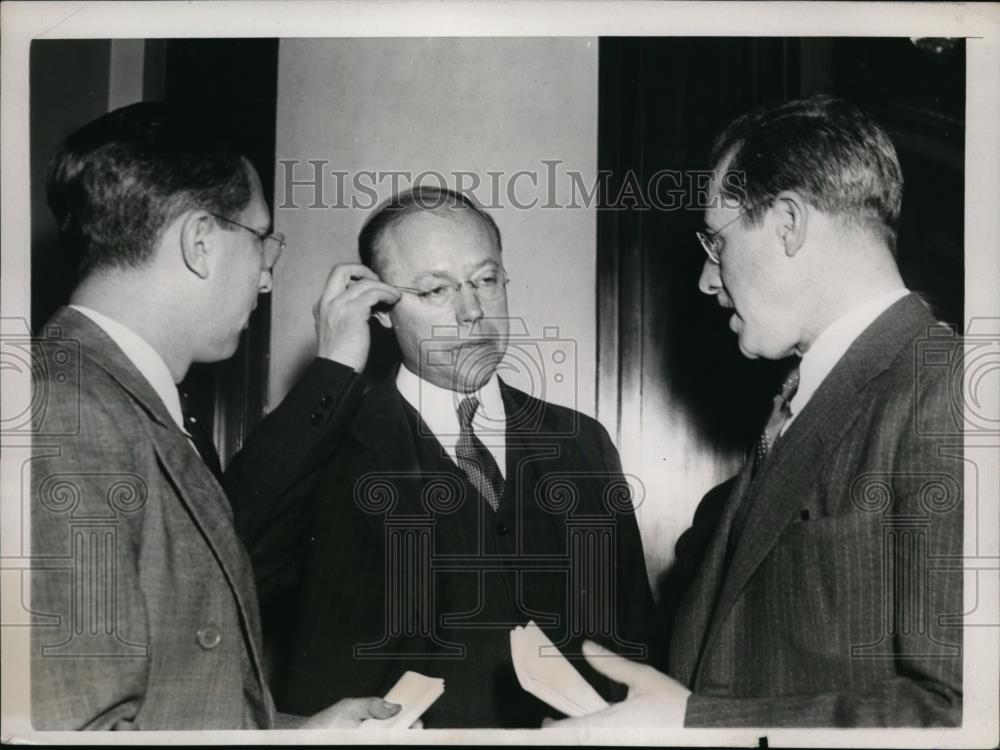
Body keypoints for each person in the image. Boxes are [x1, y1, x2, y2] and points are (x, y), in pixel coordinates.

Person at [546, 95, 963, 728]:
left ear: (788, 223)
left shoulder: (947, 389)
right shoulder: (804, 401)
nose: (706, 280)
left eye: (716, 240)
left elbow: (958, 713)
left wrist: (693, 723)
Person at [227, 187, 658, 728]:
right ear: (381, 310)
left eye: (485, 280)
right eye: (436, 290)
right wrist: (332, 369)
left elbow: (636, 644)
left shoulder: (580, 442)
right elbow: (228, 554)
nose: (472, 310)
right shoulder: (332, 443)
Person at [30, 102, 400, 730]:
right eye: (262, 240)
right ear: (201, 241)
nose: (263, 279)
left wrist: (295, 736)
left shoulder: (117, 400)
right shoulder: (65, 414)